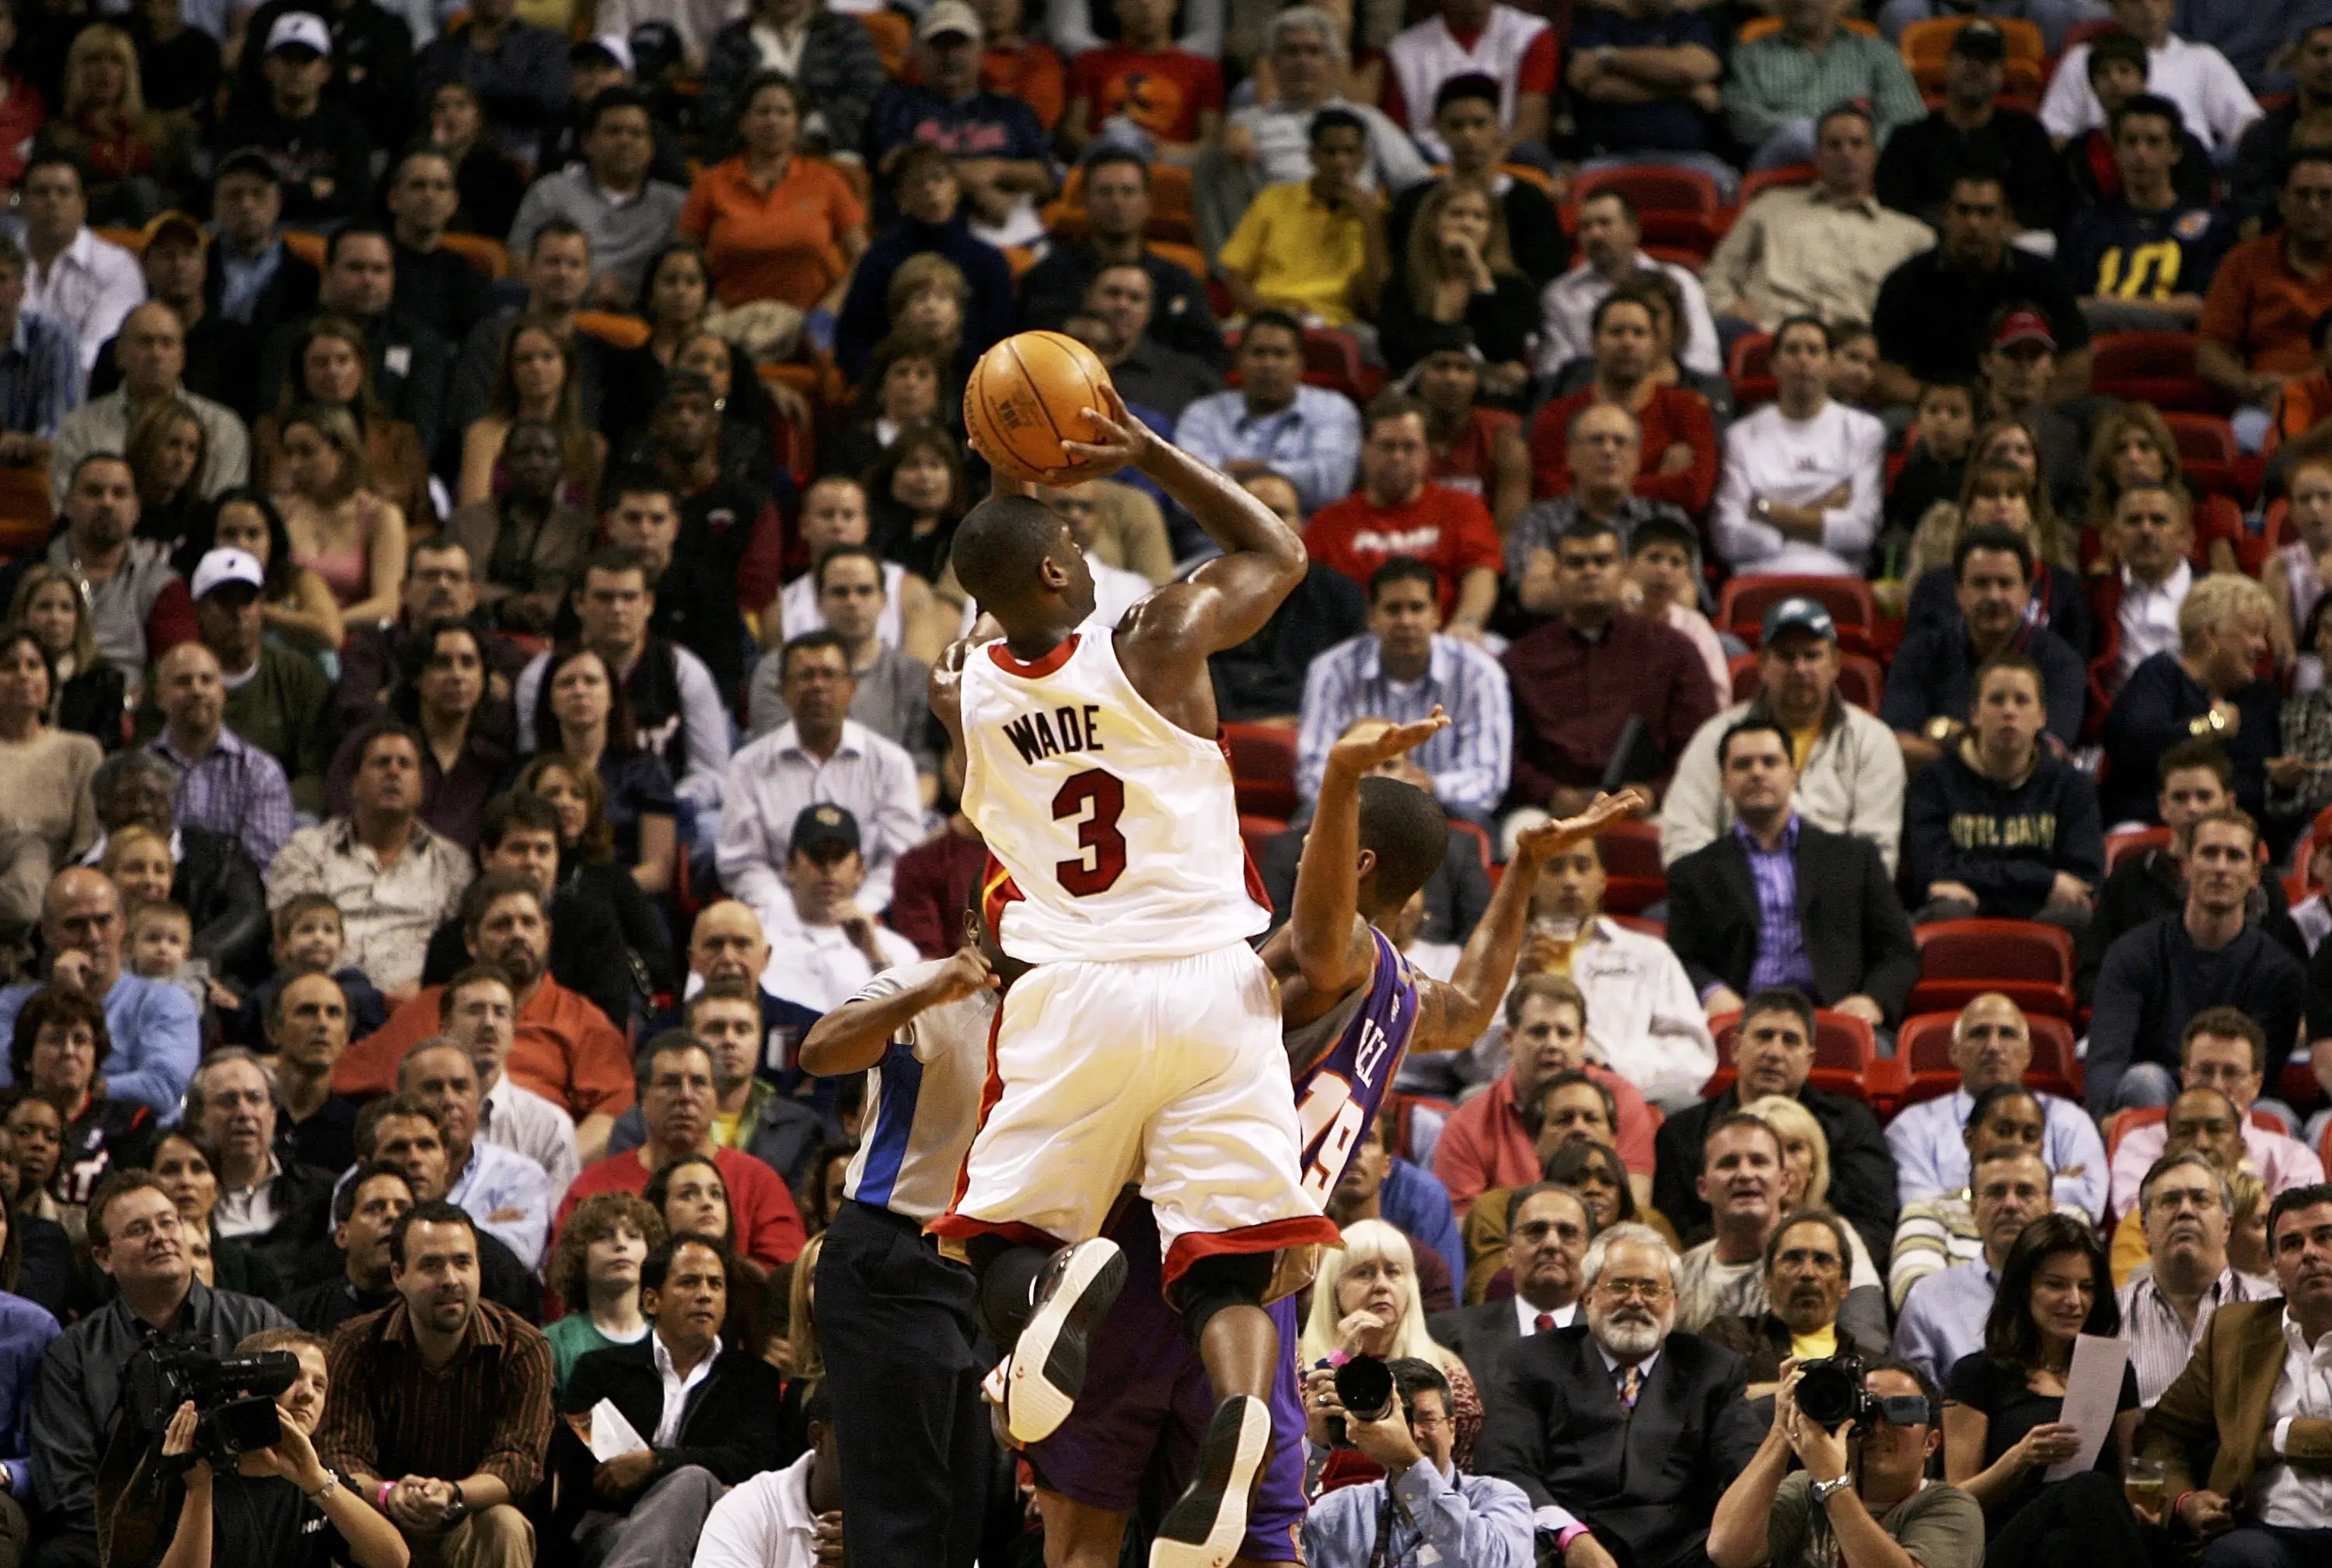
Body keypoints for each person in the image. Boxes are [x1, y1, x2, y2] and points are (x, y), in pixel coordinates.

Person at [30, 1172, 289, 1568]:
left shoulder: (257, 1321)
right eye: (138, 1229)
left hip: (243, 1517)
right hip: (124, 1536)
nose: (160, 1236)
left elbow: (300, 1426)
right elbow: (66, 1484)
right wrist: (142, 1531)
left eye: (168, 1222)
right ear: (104, 1258)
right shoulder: (75, 1352)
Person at [1475, 1220, 1763, 1567]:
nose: (1635, 1301)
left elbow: (1747, 1472)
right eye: (1620, 1286)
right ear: (1589, 1297)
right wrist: (1570, 1535)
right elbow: (1505, 1469)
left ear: (1674, 1301)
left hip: (1680, 1553)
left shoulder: (1713, 1369)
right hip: (1563, 1549)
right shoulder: (1532, 1361)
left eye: (1651, 1289)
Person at [313, 1200, 553, 1568]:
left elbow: (518, 1462)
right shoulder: (355, 1344)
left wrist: (451, 1493)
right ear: (398, 1275)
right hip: (382, 1516)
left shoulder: (523, 1347)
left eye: (462, 1262)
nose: (450, 1280)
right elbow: (342, 1456)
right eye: (430, 1265)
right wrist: (391, 1495)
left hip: (469, 1518)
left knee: (504, 1523)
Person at [341, 873, 632, 1155]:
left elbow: (615, 1112)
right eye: (502, 925)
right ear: (470, 940)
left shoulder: (583, 1021)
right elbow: (339, 1073)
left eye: (528, 923)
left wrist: (548, 1165)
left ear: (547, 933)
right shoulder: (425, 1010)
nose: (518, 934)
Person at [1663, 717, 1922, 1025]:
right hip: (1738, 1024)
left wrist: (1873, 1000)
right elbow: (1679, 958)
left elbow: (1899, 951)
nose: (1757, 772)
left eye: (1770, 762)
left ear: (1793, 775)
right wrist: (1711, 991)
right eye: (1743, 764)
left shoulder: (1855, 859)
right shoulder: (1693, 873)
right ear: (1724, 782)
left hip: (1836, 1020)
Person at [552, 1233, 784, 1568]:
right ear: (651, 1301)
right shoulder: (600, 1371)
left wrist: (655, 1463)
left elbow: (751, 1461)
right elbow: (581, 1470)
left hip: (713, 1530)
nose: (704, 1294)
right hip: (608, 1525)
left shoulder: (752, 1379)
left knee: (693, 1480)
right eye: (689, 1282)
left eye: (715, 1285)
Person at [2135, 1182, 2332, 1567]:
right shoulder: (2235, 1335)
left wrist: (2281, 1438)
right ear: (2275, 1266)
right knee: (2236, 1559)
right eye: (2292, 1244)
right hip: (2270, 1532)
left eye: (2325, 1237)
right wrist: (2185, 1501)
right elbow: (2162, 1432)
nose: (2310, 1253)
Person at [1939, 1212, 2147, 1566]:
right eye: (2056, 1285)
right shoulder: (1977, 1374)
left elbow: (2131, 1479)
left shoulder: (2111, 1371)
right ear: (2024, 1290)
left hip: (2077, 1546)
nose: (2074, 1300)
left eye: (2086, 1287)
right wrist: (2020, 1458)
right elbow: (1955, 1505)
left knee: (2064, 1545)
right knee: (2088, 1487)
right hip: (2004, 1540)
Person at [1501, 514, 1717, 831]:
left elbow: (1700, 743)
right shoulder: (1521, 659)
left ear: (1625, 571)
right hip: (1550, 808)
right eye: (1576, 563)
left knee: (1684, 842)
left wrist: (1654, 793)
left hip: (1651, 808)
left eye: (1602, 561)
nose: (1590, 572)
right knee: (1519, 839)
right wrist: (1552, 795)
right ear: (1558, 575)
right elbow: (1508, 754)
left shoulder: (1673, 651)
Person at [1663, 598, 1907, 874]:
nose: (1800, 668)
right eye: (1787, 656)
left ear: (1835, 664)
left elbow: (1876, 853)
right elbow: (1684, 835)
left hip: (1836, 907)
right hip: (1729, 902)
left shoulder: (1872, 741)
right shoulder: (1716, 736)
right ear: (1763, 665)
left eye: (1812, 655)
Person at [2089, 807, 2307, 1112]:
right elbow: (2107, 1058)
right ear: (2186, 866)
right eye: (2209, 853)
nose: (2221, 867)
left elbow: (2260, 1078)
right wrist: (2105, 1119)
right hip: (2153, 1104)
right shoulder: (2132, 953)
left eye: (2234, 856)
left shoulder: (2280, 971)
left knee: (2276, 1114)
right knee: (2144, 1080)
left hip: (2238, 1104)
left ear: (2255, 874)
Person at [155, 1324, 408, 1568]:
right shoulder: (192, 1474)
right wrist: (199, 1491)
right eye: (291, 1377)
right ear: (243, 1386)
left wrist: (314, 1479)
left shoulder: (320, 1479)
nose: (308, 1394)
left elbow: (394, 1560)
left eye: (319, 1385)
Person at [511, 550, 731, 823]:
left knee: (711, 829)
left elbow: (713, 774)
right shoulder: (541, 675)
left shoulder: (684, 671)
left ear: (649, 603)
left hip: (666, 811)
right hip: (561, 815)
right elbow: (530, 762)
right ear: (579, 603)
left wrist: (660, 802)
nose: (617, 609)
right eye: (604, 598)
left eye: (629, 597)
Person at [553, 1033, 806, 1270]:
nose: (685, 1096)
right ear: (643, 1097)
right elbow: (564, 1279)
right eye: (670, 1083)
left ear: (716, 1098)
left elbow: (784, 1282)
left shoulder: (759, 1183)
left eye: (698, 1083)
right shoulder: (596, 1187)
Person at [1296, 558, 1510, 835]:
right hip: (1354, 803)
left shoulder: (1479, 672)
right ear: (1371, 616)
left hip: (1441, 808)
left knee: (1472, 819)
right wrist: (1370, 789)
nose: (1406, 621)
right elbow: (1312, 773)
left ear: (1437, 615)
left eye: (1417, 608)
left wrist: (1428, 787)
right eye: (1393, 609)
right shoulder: (1331, 670)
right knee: (1307, 816)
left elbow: (1488, 778)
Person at [1707, 1355, 1984, 1568]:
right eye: (1866, 1410)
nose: (1878, 1427)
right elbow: (1726, 1550)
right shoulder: (1806, 1489)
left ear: (1931, 1443)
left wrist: (1833, 1484)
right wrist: (1783, 1431)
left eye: (1900, 1410)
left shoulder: (1952, 1507)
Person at [265, 725, 476, 1000]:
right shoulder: (307, 851)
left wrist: (422, 991)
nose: (393, 772)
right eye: (381, 763)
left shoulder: (452, 863)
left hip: (415, 1008)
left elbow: (461, 952)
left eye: (405, 764)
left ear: (420, 787)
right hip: (325, 1004)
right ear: (355, 783)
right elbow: (290, 942)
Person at [1512, 832, 1716, 1111]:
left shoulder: (1648, 953)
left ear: (1602, 880)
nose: (1570, 881)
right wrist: (1518, 992)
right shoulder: (1503, 961)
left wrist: (1616, 1071)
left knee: (1683, 1106)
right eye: (1555, 868)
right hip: (1530, 1100)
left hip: (1632, 1097)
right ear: (1531, 881)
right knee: (1473, 1099)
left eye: (1582, 867)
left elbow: (1691, 1048)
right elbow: (1474, 1059)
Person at [1901, 651, 2104, 922]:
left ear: (2042, 716)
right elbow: (1930, 871)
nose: (2009, 711)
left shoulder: (2072, 786)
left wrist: (1974, 879)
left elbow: (2084, 880)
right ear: (1974, 713)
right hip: (1968, 912)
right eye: (1997, 700)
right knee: (1946, 911)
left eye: (2021, 701)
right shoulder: (1933, 783)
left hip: (2042, 917)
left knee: (2077, 918)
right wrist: (2045, 882)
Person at [1706, 104, 1934, 340]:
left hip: (1862, 352)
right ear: (1817, 156)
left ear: (1874, 154)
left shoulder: (1913, 237)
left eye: (1857, 144)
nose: (1846, 153)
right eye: (1834, 145)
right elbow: (1719, 273)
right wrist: (1729, 305)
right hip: (1772, 337)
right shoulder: (1768, 208)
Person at [1871, 173, 2090, 406]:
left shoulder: (2045, 278)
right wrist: (1946, 405)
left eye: (1986, 212)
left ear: (2006, 218)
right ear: (1945, 216)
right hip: (1934, 415)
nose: (1973, 223)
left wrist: (2026, 412)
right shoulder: (1905, 282)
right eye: (1963, 211)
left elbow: (2077, 366)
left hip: (2028, 408)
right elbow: (1887, 375)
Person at [1886, 993, 2111, 1218]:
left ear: (2028, 1053)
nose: (1993, 1046)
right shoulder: (1912, 1126)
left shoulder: (2070, 1120)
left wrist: (1961, 1194)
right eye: (1979, 1033)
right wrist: (2047, 1187)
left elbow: (2091, 1202)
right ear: (1954, 1052)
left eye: (2007, 1034)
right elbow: (1918, 1210)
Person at [1300, 1355, 1534, 1568]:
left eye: (1427, 1419)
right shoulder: (1341, 1513)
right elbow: (1276, 1537)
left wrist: (1408, 1461)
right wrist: (1314, 1446)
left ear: (1452, 1429)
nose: (1413, 1434)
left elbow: (1492, 1562)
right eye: (1401, 1420)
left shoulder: (1500, 1499)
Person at [0, 867, 197, 1116]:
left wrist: (78, 1087)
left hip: (135, 1146)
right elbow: (5, 1084)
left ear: (123, 923)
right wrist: (65, 1000)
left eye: (103, 921)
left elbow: (164, 1088)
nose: (93, 937)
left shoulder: (166, 1002)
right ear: (48, 933)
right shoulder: (10, 1005)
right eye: (75, 925)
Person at [862, 2, 1058, 252]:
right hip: (921, 232)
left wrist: (995, 168)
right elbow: (893, 163)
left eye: (961, 45)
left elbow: (1043, 176)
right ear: (918, 54)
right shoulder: (897, 104)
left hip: (1009, 231)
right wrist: (977, 188)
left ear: (981, 52)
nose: (951, 56)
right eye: (939, 46)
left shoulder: (1011, 109)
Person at [1677, 1116, 1887, 1349]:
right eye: (1729, 1163)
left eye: (1759, 1162)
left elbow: (1867, 1345)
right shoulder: (1680, 1273)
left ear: (1784, 1182)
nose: (1745, 1174)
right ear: (1702, 1188)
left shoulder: (1829, 1245)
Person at [2107, 1008, 2324, 1221]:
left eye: (2231, 1073)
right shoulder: (2139, 1145)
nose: (2217, 1085)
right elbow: (2137, 1220)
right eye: (2205, 1071)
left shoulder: (2293, 1159)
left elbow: (2298, 1232)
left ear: (2256, 1084)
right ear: (2186, 1077)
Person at [1711, 316, 1884, 578]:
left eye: (1813, 351)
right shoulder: (1742, 435)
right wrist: (1820, 515)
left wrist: (1765, 510)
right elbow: (1728, 536)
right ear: (1775, 365)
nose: (1803, 360)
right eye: (1792, 350)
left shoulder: (1863, 430)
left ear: (1829, 364)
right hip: (1758, 576)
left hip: (1837, 575)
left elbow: (1860, 532)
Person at [1528, 283, 1718, 513]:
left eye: (1639, 333)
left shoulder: (1688, 410)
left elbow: (1695, 492)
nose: (1628, 343)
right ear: (1593, 343)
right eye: (1616, 332)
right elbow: (1553, 494)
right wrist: (1658, 482)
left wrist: (1597, 486)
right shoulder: (1558, 415)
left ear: (1655, 344)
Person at [49, 304, 247, 512]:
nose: (156, 353)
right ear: (119, 355)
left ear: (182, 357)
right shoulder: (79, 428)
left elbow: (227, 513)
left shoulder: (223, 428)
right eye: (145, 342)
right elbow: (66, 511)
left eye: (167, 343)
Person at [2063, 93, 2236, 328]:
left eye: (2153, 142)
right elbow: (2070, 299)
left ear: (2175, 152)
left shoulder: (2212, 224)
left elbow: (2205, 304)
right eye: (2131, 141)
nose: (2140, 153)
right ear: (2116, 151)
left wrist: (2118, 307)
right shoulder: (2089, 221)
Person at [2198, 149, 2332, 452]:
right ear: (2283, 202)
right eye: (2302, 195)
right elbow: (2210, 352)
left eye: (2326, 195)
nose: (2314, 206)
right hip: (2266, 405)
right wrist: (2247, 384)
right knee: (2243, 434)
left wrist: (2301, 384)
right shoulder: (2244, 261)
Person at [1876, 18, 2063, 232]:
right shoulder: (1909, 138)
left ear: (2002, 72)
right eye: (1966, 57)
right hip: (1925, 244)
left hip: (2009, 246)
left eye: (1986, 60)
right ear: (1948, 63)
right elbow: (1894, 206)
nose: (1975, 66)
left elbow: (2042, 206)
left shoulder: (2027, 134)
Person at [2117, 1149, 2273, 1406]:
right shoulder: (2109, 1316)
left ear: (2226, 1226)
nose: (2185, 1211)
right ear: (2145, 1228)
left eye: (2201, 1199)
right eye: (2169, 1200)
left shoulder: (2273, 1308)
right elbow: (2090, 1428)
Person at [1215, 107, 1391, 330]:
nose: (1340, 162)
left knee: (1375, 345)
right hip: (1264, 315)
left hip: (1335, 323)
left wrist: (1370, 223)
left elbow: (1379, 304)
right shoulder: (1273, 199)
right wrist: (1273, 314)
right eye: (1330, 152)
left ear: (1363, 158)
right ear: (1312, 156)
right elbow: (1236, 280)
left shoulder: (1379, 213)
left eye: (1349, 152)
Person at [506, 87, 683, 306]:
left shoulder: (676, 205)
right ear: (587, 142)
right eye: (613, 131)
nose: (625, 141)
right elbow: (520, 260)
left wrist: (626, 299)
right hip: (557, 310)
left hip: (642, 319)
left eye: (636, 134)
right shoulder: (550, 192)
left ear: (651, 148)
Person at [1174, 313, 1363, 515]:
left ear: (1301, 363)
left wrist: (1242, 471)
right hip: (1215, 539)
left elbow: (1331, 488)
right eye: (1258, 353)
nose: (1268, 364)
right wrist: (1291, 474)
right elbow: (1183, 498)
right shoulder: (1201, 414)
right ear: (1238, 360)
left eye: (1280, 354)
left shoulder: (1332, 409)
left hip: (1308, 536)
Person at [206, 14, 375, 227]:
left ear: (325, 71)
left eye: (306, 59)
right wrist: (310, 191)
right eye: (287, 58)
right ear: (267, 67)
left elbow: (357, 199)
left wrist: (272, 192)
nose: (296, 69)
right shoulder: (240, 127)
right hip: (255, 230)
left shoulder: (347, 129)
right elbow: (223, 191)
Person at [145, 638, 296, 871]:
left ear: (222, 693)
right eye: (183, 682)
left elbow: (265, 864)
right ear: (159, 698)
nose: (196, 690)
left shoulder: (261, 772)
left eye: (206, 680)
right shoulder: (138, 772)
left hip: (238, 899)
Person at [1539, 189, 1721, 382]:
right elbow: (1555, 371)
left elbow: (1705, 359)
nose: (1595, 234)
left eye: (1605, 223)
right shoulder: (1560, 294)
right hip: (1592, 399)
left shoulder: (1679, 282)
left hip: (1675, 394)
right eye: (1585, 227)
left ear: (1633, 230)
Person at [2038, 0, 2259, 158]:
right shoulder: (2083, 59)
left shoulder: (2202, 59)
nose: (2147, 7)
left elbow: (2248, 125)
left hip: (2191, 173)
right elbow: (2054, 130)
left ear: (2171, 6)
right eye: (2135, 1)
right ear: (2115, 10)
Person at [438, 425, 591, 637]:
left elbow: (584, 591)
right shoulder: (466, 523)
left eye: (546, 455)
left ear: (562, 466)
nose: (535, 464)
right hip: (471, 631)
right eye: (523, 454)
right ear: (504, 465)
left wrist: (547, 604)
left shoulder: (580, 530)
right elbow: (452, 583)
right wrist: (505, 603)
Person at [0, 630, 97, 932]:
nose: (23, 675)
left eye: (34, 665)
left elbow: (88, 843)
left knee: (34, 852)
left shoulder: (80, 751)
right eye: (9, 666)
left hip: (55, 895)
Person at [1383, 0, 1556, 166]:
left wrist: (1486, 166)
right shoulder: (1403, 49)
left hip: (1505, 158)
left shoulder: (1530, 33)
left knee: (1530, 153)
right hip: (1431, 164)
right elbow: (1397, 136)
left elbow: (1533, 122)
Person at [12, 153, 141, 375]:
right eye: (41, 192)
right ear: (23, 201)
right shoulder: (5, 259)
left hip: (87, 392)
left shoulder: (116, 266)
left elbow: (99, 353)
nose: (52, 201)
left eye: (64, 192)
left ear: (83, 204)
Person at [383, 148, 496, 351]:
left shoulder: (465, 275)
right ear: (394, 199)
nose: (429, 196)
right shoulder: (372, 267)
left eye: (440, 187)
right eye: (418, 186)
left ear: (453, 203)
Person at [0, 237, 81, 471]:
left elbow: (63, 438)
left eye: (2, 279)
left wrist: (21, 445)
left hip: (33, 480)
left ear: (22, 290)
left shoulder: (54, 341)